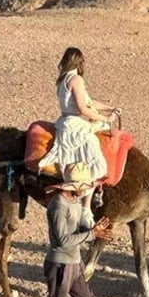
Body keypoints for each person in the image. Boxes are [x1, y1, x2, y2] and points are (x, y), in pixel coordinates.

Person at [42, 162, 113, 297]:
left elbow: (81, 233)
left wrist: (95, 231)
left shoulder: (74, 202)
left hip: (75, 263)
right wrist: (91, 234)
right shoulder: (58, 205)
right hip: (60, 264)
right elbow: (63, 240)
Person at [39, 47, 119, 212]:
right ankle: (86, 206)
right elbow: (83, 108)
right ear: (79, 61)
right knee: (97, 166)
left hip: (66, 122)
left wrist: (109, 108)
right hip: (76, 127)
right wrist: (106, 119)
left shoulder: (63, 80)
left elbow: (88, 102)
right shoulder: (76, 79)